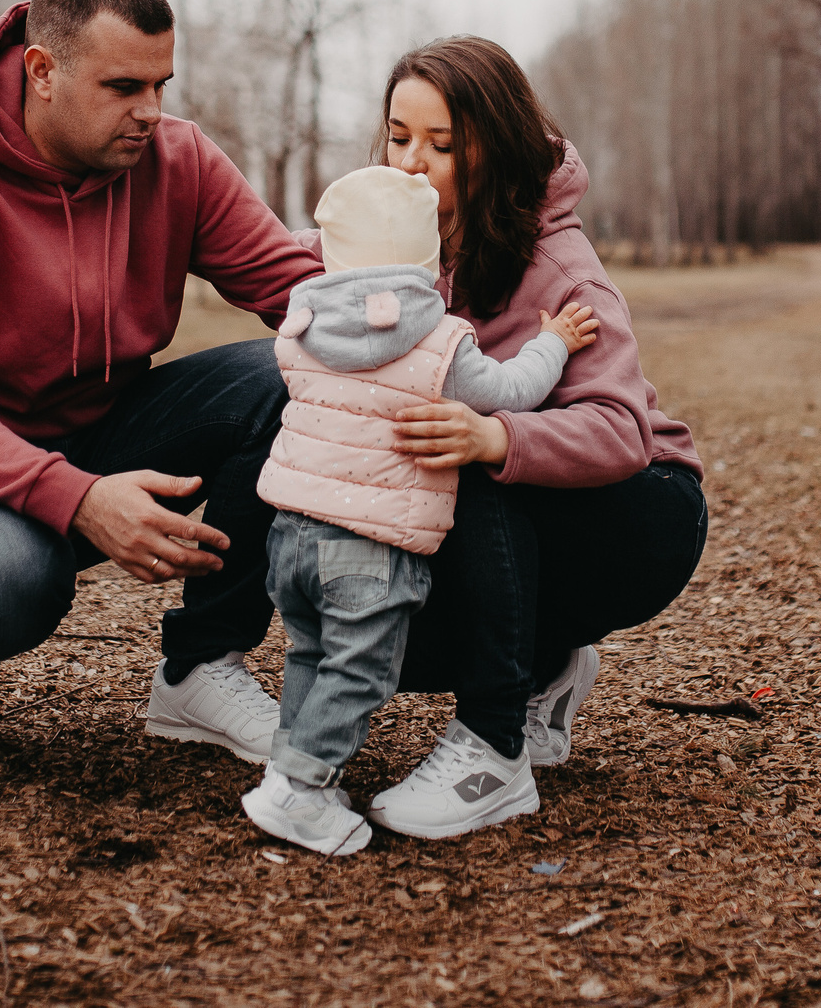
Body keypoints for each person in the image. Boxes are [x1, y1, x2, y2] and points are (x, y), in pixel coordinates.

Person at [0, 0, 319, 763]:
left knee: (288, 376)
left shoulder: (178, 159)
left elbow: (299, 292)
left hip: (97, 427)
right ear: (42, 70)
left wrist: (428, 313)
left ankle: (201, 667)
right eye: (123, 87)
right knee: (9, 577)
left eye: (162, 84)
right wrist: (80, 499)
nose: (152, 111)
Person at [363, 36, 709, 838]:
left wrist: (494, 436)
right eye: (400, 135)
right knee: (395, 642)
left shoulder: (562, 267)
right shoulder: (407, 245)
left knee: (472, 457)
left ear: (498, 148)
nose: (413, 163)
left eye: (443, 145)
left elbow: (620, 429)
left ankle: (493, 750)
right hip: (531, 512)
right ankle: (548, 666)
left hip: (644, 510)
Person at [240, 163, 600, 855]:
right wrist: (555, 340)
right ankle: (302, 790)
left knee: (310, 653)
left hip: (288, 533)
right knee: (362, 668)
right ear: (428, 261)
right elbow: (512, 391)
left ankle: (288, 769)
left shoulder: (302, 328)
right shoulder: (440, 343)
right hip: (368, 544)